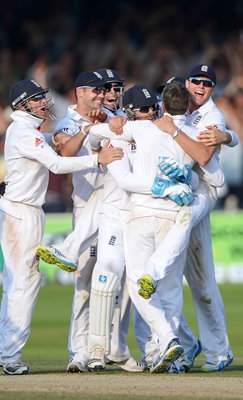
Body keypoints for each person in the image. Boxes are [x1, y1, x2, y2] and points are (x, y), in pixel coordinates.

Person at [0, 78, 122, 376]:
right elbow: (58, 165)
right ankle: (9, 355)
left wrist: (80, 131)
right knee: (23, 283)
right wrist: (97, 159)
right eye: (36, 99)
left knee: (18, 282)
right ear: (22, 105)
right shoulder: (23, 132)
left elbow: (51, 145)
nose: (44, 103)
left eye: (42, 97)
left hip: (20, 210)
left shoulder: (26, 130)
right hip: (21, 214)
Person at [88, 82, 204, 373]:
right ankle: (164, 350)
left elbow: (95, 134)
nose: (150, 111)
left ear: (161, 105)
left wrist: (114, 125)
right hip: (164, 214)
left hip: (144, 212)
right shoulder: (178, 133)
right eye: (144, 109)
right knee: (165, 286)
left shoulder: (138, 129)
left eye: (153, 106)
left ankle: (166, 342)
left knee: (145, 285)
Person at [37, 70, 138, 373]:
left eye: (104, 90)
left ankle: (113, 348)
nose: (101, 94)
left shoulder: (112, 115)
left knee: (118, 284)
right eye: (95, 90)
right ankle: (79, 352)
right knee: (84, 286)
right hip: (87, 208)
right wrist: (89, 130)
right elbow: (65, 152)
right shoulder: (68, 122)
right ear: (79, 92)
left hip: (120, 208)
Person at [153, 64, 237, 372]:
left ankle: (219, 352)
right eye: (196, 81)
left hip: (202, 193)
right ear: (187, 83)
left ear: (213, 89)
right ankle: (186, 345)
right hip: (180, 193)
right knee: (179, 280)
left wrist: (174, 130)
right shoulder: (182, 107)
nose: (200, 87)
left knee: (201, 282)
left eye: (207, 83)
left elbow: (202, 156)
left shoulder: (211, 116)